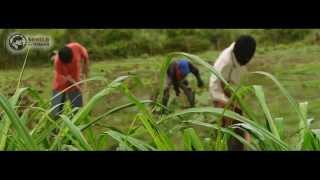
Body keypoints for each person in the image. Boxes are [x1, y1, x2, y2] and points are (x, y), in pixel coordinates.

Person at [209, 35, 256, 151]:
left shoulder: (242, 53)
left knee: (240, 116)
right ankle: (223, 142)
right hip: (218, 91)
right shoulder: (224, 62)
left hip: (230, 87)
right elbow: (214, 87)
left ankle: (240, 143)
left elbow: (238, 78)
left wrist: (237, 100)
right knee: (227, 120)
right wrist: (224, 102)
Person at [51, 42, 89, 119]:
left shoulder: (76, 47)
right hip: (60, 85)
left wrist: (85, 71)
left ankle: (76, 127)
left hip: (75, 84)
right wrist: (79, 87)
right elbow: (69, 78)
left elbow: (85, 58)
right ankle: (55, 128)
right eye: (66, 63)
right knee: (56, 111)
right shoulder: (57, 62)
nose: (68, 64)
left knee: (77, 110)